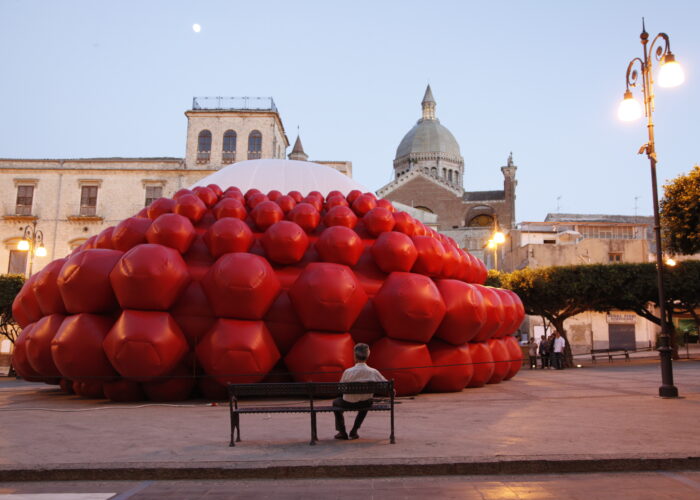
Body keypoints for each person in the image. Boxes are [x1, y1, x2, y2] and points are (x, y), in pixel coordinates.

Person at [332, 343, 387, 440]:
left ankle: (342, 431)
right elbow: (386, 385)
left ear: (355, 356)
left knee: (335, 403)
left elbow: (340, 388)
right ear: (367, 356)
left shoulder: (348, 372)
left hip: (348, 403)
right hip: (364, 403)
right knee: (367, 402)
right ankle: (354, 431)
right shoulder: (373, 372)